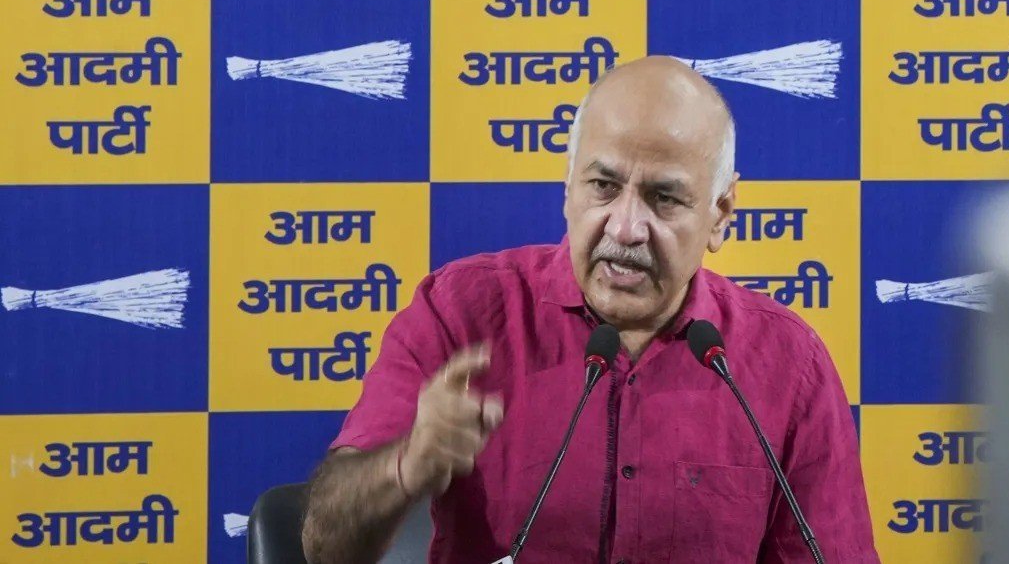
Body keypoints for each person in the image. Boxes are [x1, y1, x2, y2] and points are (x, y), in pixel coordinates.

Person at [301, 56, 879, 563]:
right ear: (568, 188)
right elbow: (324, 546)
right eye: (603, 186)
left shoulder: (788, 365)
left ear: (720, 214)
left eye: (664, 198)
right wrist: (405, 467)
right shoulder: (459, 314)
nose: (625, 228)